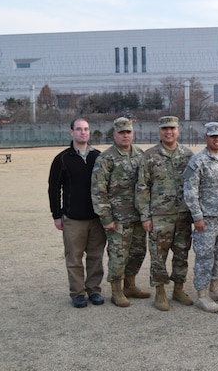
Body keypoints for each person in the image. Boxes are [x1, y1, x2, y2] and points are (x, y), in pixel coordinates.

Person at [135, 116, 194, 311]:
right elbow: (142, 187)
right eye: (165, 129)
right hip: (160, 216)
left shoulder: (187, 155)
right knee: (158, 256)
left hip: (183, 214)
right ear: (160, 131)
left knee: (182, 253)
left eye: (172, 128)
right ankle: (160, 291)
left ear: (178, 130)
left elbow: (194, 185)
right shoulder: (150, 156)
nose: (169, 132)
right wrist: (145, 216)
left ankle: (178, 288)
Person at [91, 117, 149, 308]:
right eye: (121, 132)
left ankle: (130, 285)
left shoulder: (140, 154)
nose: (125, 135)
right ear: (114, 134)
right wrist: (106, 217)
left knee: (138, 252)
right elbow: (98, 190)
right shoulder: (106, 158)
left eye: (128, 132)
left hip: (138, 216)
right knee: (118, 255)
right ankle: (116, 291)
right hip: (117, 218)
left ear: (133, 133)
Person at [48, 118, 106, 308]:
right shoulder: (62, 159)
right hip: (73, 218)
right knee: (74, 258)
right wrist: (57, 215)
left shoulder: (98, 157)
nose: (83, 132)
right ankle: (78, 293)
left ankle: (94, 290)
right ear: (71, 132)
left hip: (96, 218)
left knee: (95, 257)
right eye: (79, 129)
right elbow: (54, 188)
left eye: (86, 129)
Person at [183, 122, 218, 313]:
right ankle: (202, 295)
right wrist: (197, 217)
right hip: (206, 218)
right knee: (204, 256)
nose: (216, 139)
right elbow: (189, 192)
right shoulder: (197, 161)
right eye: (213, 136)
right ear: (205, 137)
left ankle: (215, 288)